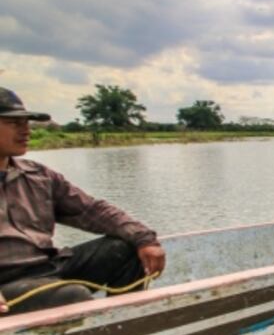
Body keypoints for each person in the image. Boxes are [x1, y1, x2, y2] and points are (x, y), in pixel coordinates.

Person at [0, 87, 166, 314]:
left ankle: (125, 328)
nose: (26, 130)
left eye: (26, 122)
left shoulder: (38, 176)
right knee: (73, 296)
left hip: (47, 268)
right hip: (6, 283)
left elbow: (92, 210)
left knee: (125, 247)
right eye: (14, 123)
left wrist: (144, 239)